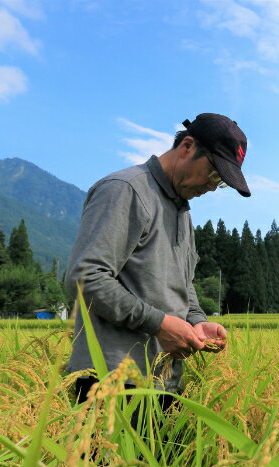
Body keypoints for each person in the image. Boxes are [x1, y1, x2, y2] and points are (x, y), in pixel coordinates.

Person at [65, 113, 250, 409]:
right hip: (112, 383)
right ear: (187, 147)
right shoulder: (126, 190)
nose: (213, 187)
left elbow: (182, 286)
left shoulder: (182, 213)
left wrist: (197, 322)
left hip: (164, 381)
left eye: (222, 183)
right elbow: (86, 277)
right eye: (214, 174)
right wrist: (159, 323)